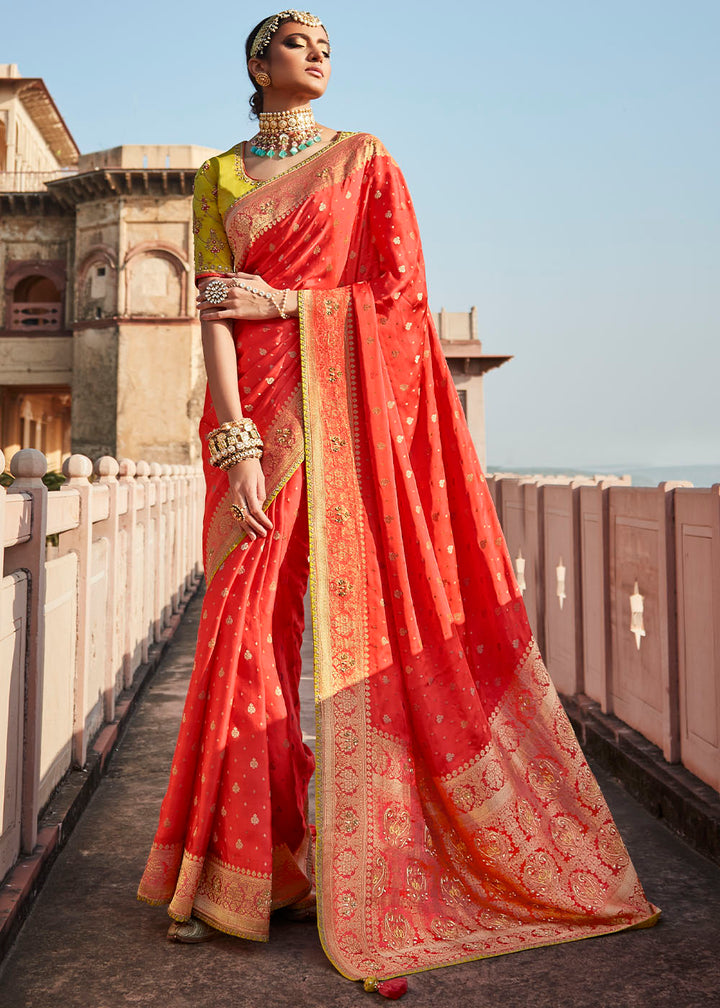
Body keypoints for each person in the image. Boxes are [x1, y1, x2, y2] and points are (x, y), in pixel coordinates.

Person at [137, 8, 659, 995]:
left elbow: (402, 297)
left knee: (360, 636)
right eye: (298, 42)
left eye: (328, 44)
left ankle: (368, 863)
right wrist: (235, 444)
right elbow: (211, 312)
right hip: (257, 426)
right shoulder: (216, 177)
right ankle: (245, 875)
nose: (320, 54)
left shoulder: (366, 161)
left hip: (346, 425)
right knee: (242, 631)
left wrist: (288, 302)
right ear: (257, 63)